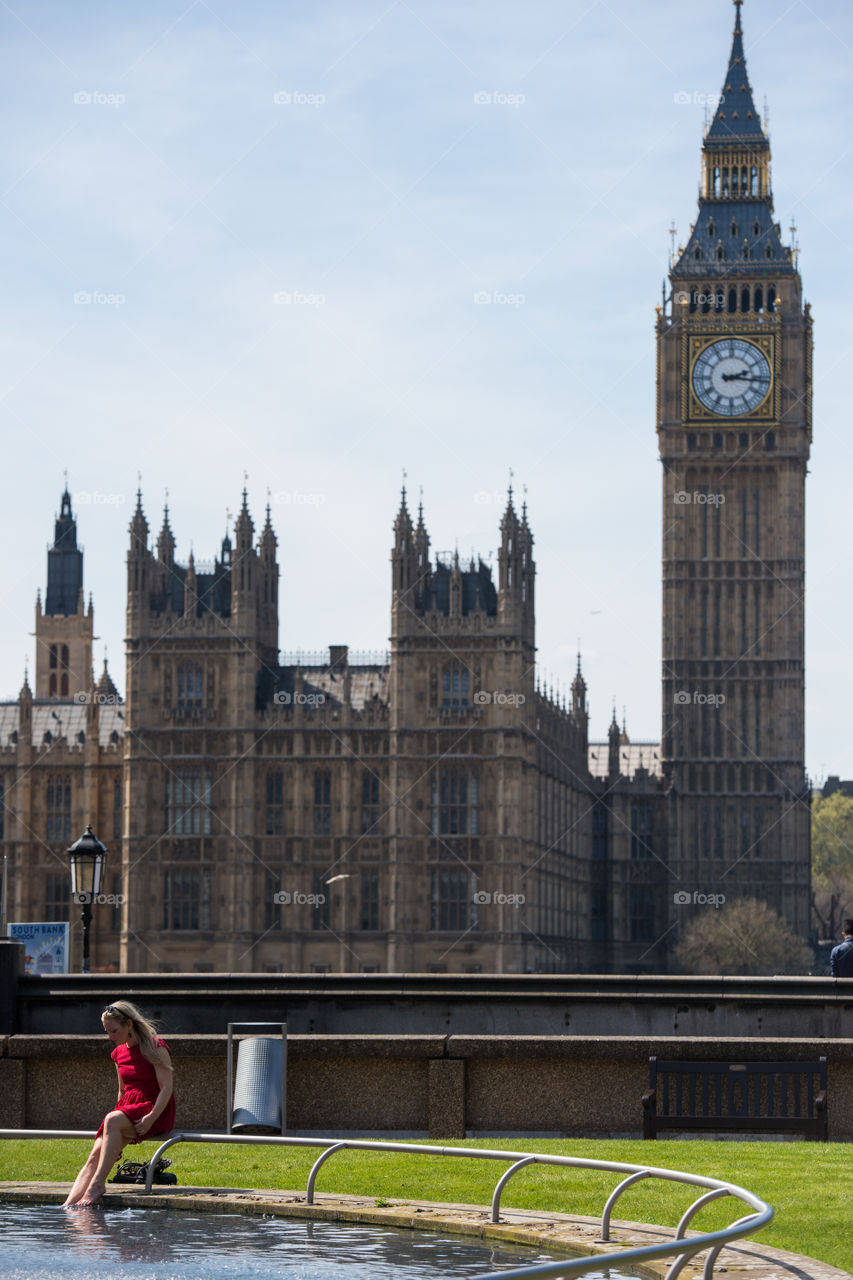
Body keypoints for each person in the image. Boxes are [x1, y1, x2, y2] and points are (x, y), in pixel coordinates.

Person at [63, 1000, 175, 1208]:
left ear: (129, 1024)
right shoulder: (118, 1053)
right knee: (95, 1153)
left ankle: (97, 1184)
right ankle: (67, 1207)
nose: (110, 1037)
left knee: (112, 1120)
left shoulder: (155, 1046)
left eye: (114, 1031)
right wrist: (114, 1122)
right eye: (107, 1032)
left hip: (155, 1108)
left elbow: (166, 1088)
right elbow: (122, 1091)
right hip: (127, 1109)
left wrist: (150, 1118)